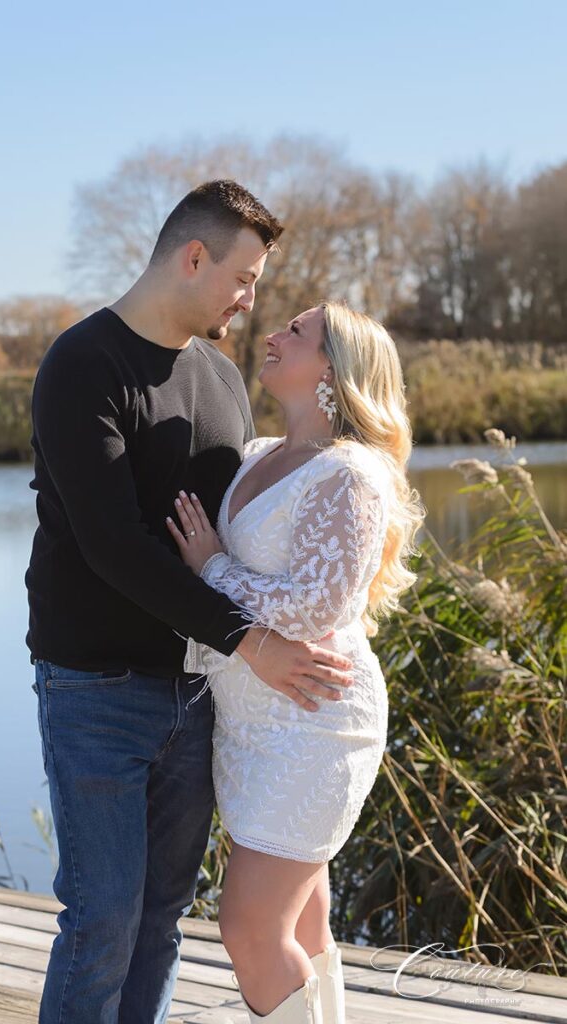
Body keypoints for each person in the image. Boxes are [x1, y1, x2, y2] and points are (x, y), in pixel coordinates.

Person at [25, 180, 359, 1024]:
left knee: (162, 919)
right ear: (194, 257)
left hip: (198, 691)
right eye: (243, 279)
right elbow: (113, 545)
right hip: (95, 686)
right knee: (101, 920)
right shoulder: (83, 363)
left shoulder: (218, 380)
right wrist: (251, 640)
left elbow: (236, 538)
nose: (250, 302)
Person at [166, 300, 426, 1024]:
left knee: (249, 929)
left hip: (314, 719)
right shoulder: (256, 455)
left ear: (333, 371)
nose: (274, 335)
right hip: (250, 720)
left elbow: (317, 607)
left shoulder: (351, 474)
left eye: (298, 331)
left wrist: (213, 568)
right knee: (302, 922)